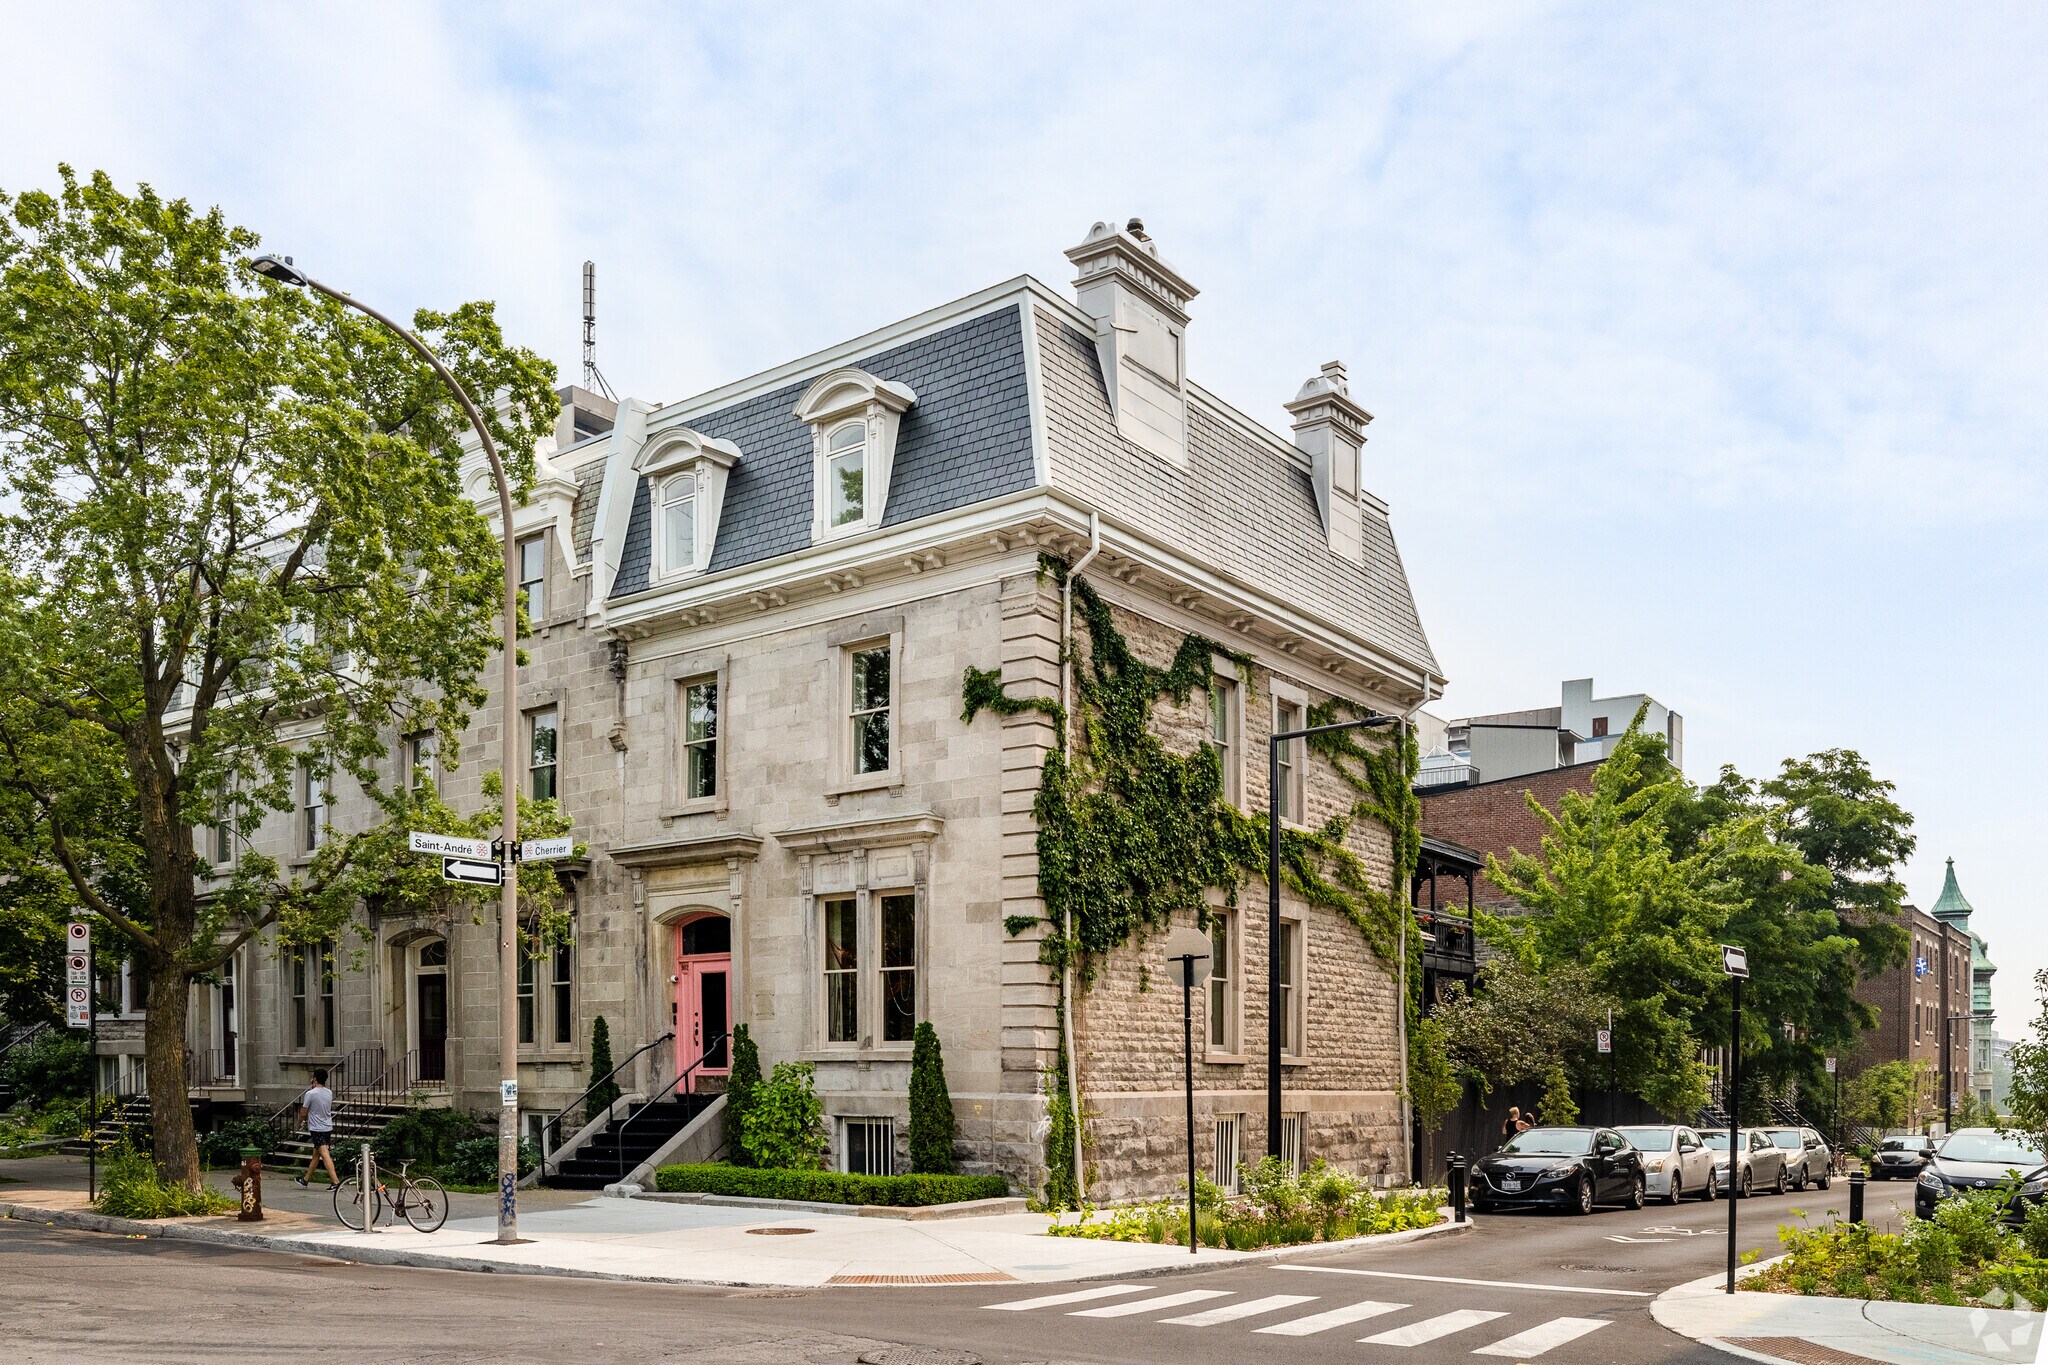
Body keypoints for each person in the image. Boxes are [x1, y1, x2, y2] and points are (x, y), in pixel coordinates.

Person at [294, 1068, 339, 1188]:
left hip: (316, 1128)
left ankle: (336, 1182)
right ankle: (305, 1179)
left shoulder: (310, 1094)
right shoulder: (329, 1092)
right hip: (327, 1126)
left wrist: (299, 1123)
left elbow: (303, 1112)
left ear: (314, 1078)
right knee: (316, 1154)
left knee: (324, 1154)